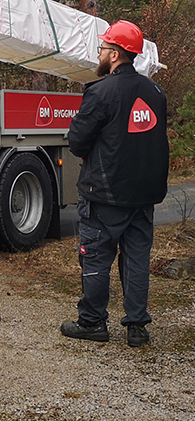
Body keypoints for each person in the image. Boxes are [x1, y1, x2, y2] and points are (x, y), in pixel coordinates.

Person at [61, 20, 168, 347]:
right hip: (143, 197)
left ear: (116, 54)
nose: (100, 52)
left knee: (95, 258)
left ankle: (93, 322)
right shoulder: (155, 92)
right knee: (136, 260)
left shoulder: (101, 92)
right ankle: (137, 328)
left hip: (104, 197)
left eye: (104, 47)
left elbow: (77, 142)